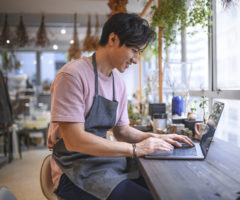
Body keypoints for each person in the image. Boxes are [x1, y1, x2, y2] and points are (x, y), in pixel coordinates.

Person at [47, 13, 194, 200]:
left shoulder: (118, 82)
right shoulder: (72, 76)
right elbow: (74, 140)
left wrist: (157, 137)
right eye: (134, 50)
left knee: (165, 189)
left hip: (105, 162)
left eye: (139, 53)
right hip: (73, 170)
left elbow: (122, 132)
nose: (135, 60)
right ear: (113, 39)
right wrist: (135, 150)